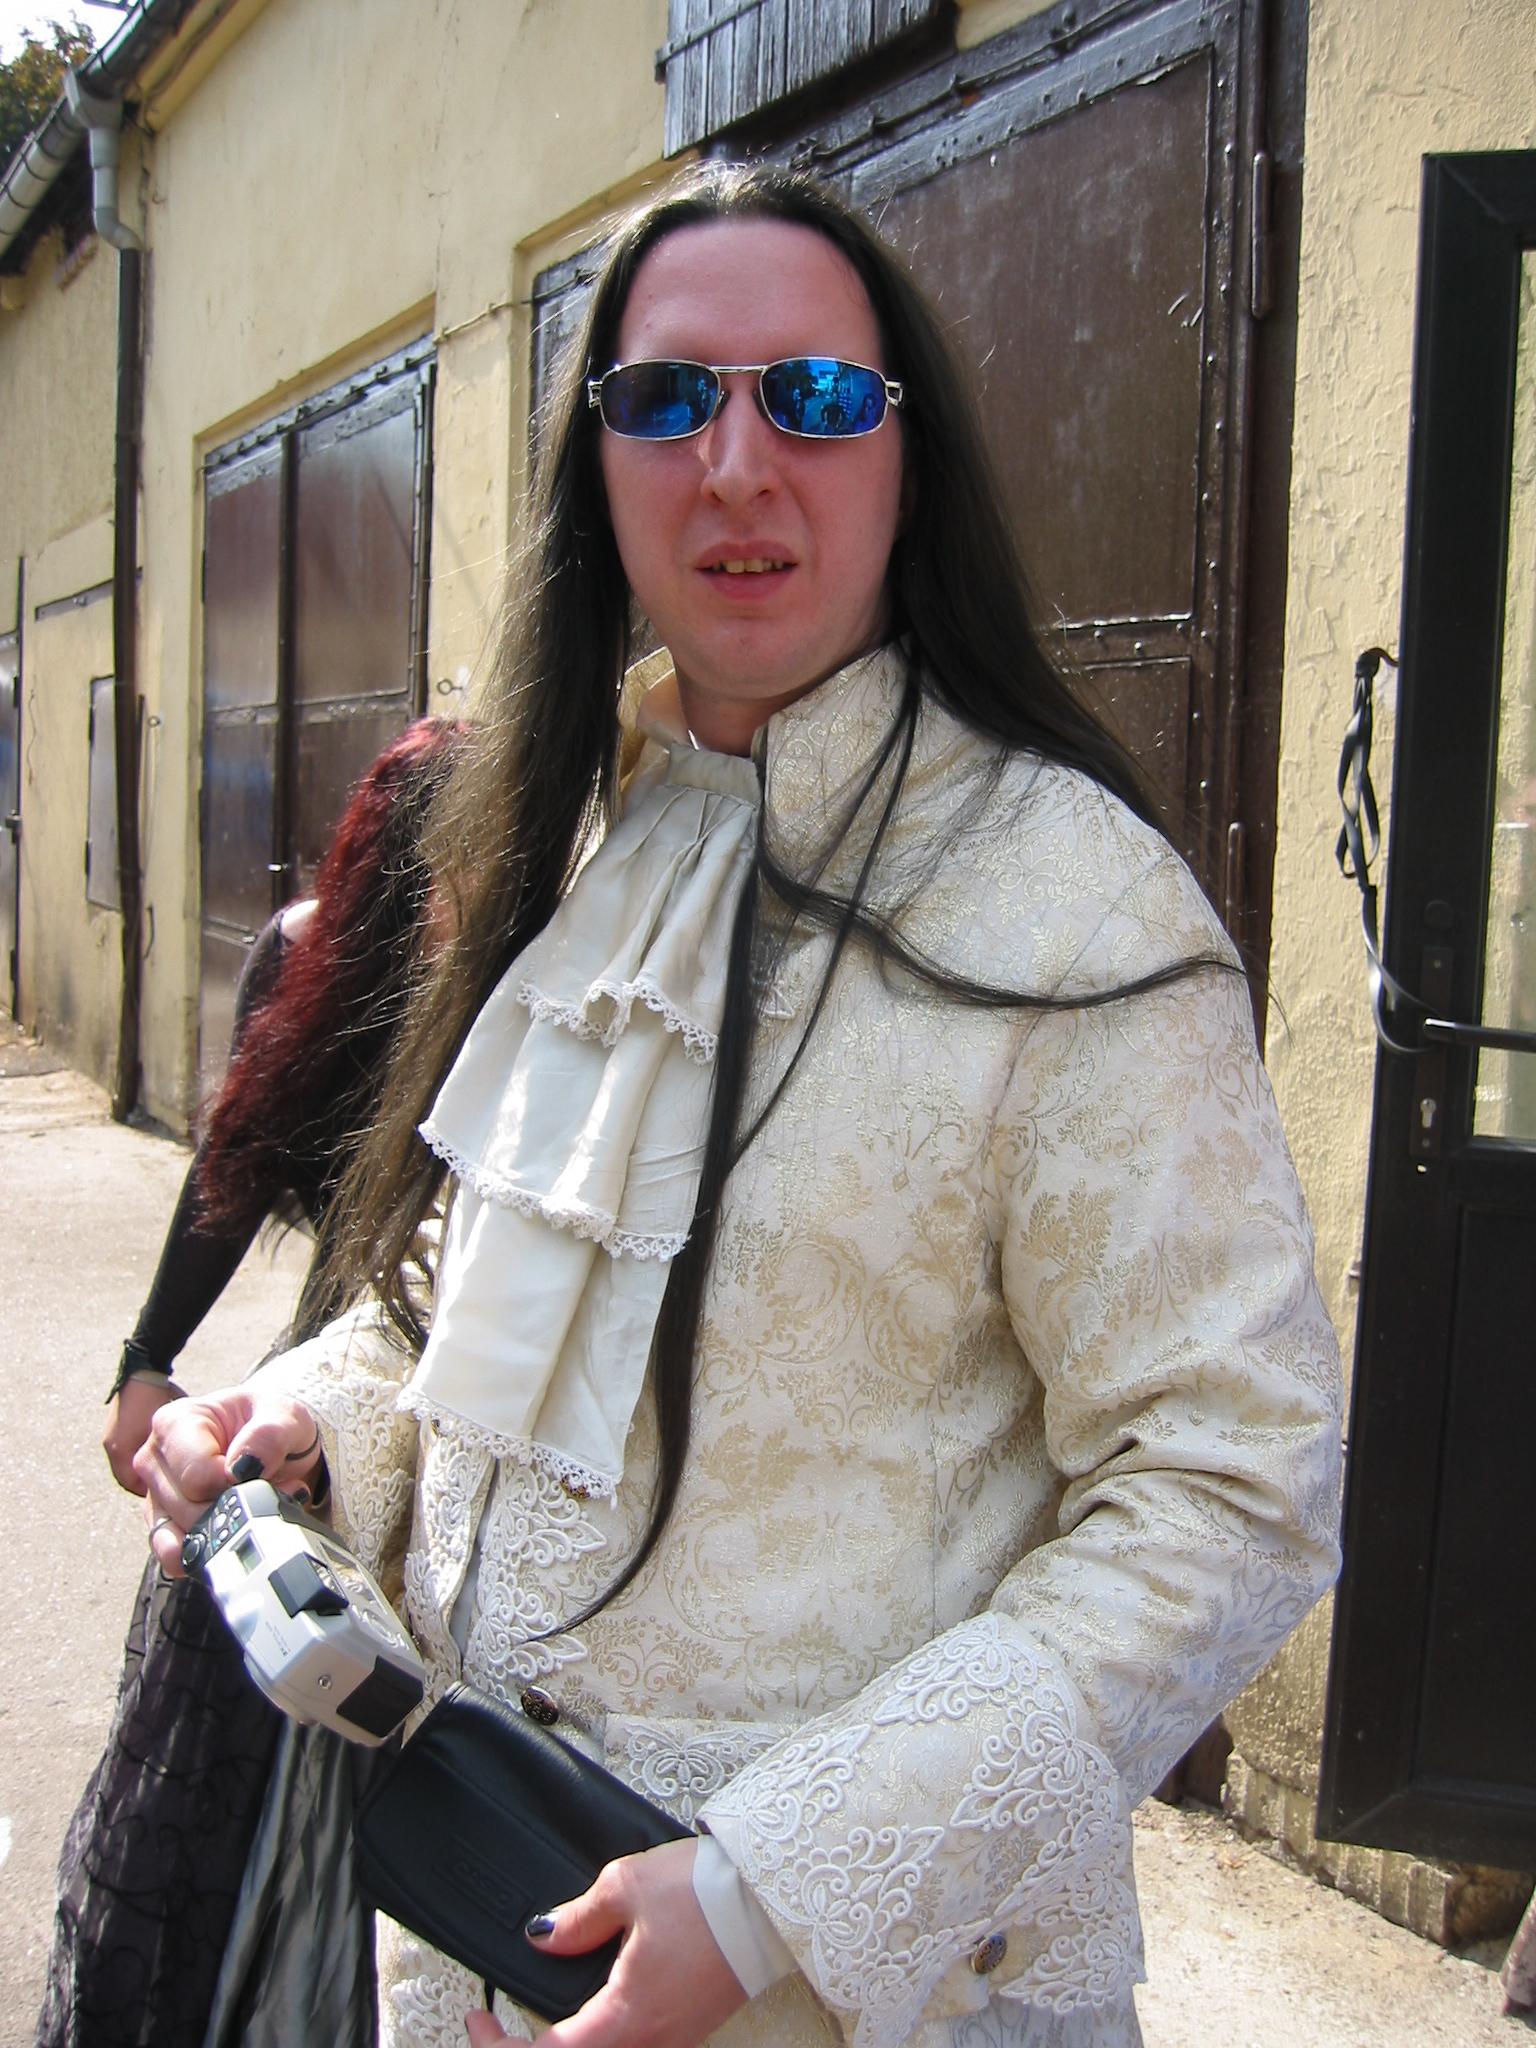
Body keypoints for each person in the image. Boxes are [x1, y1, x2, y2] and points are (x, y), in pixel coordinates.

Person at [137, 164, 1342, 2048]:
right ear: (596, 464)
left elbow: (1234, 1487)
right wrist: (310, 1426)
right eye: (667, 398)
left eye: (821, 398)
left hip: (864, 1998)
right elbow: (482, 1309)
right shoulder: (578, 850)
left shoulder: (1082, 905)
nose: (738, 465)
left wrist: (778, 1885)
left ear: (909, 460)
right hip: (473, 1913)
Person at [41, 718, 465, 2048]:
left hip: (445, 1424)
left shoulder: (532, 985)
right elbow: (230, 1167)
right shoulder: (308, 959)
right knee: (248, 1779)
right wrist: (145, 1360)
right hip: (320, 1409)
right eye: (452, 866)